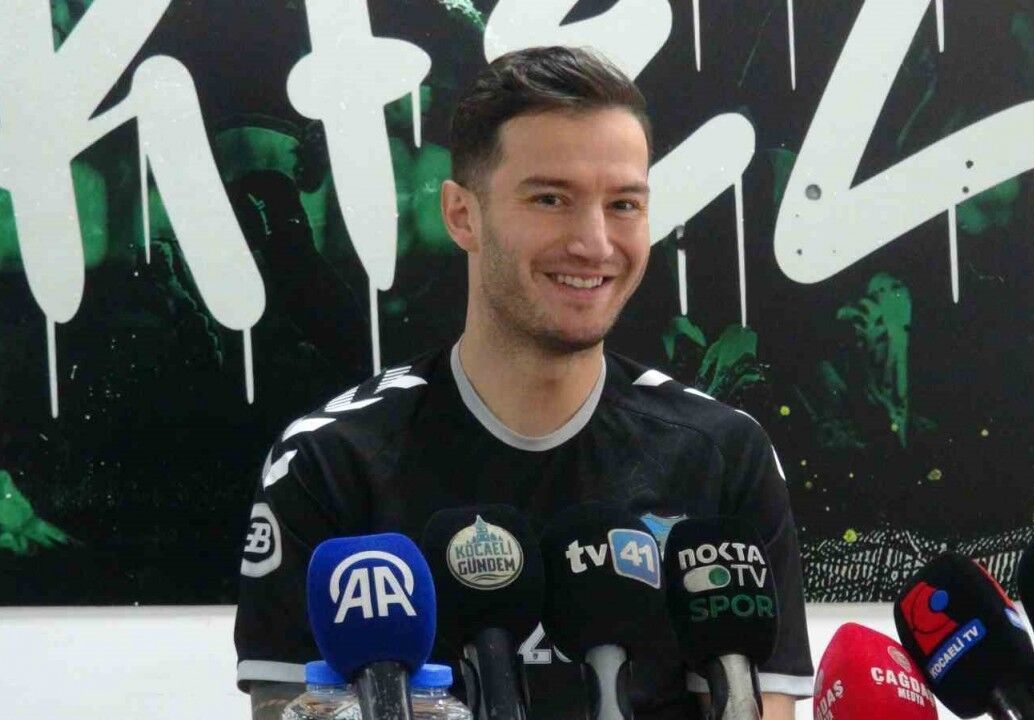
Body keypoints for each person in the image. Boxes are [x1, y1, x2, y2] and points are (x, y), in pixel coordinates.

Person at [234, 45, 812, 719]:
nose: (595, 242)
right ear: (462, 215)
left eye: (624, 204)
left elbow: (761, 706)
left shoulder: (726, 455)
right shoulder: (331, 461)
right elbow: (287, 708)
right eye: (550, 199)